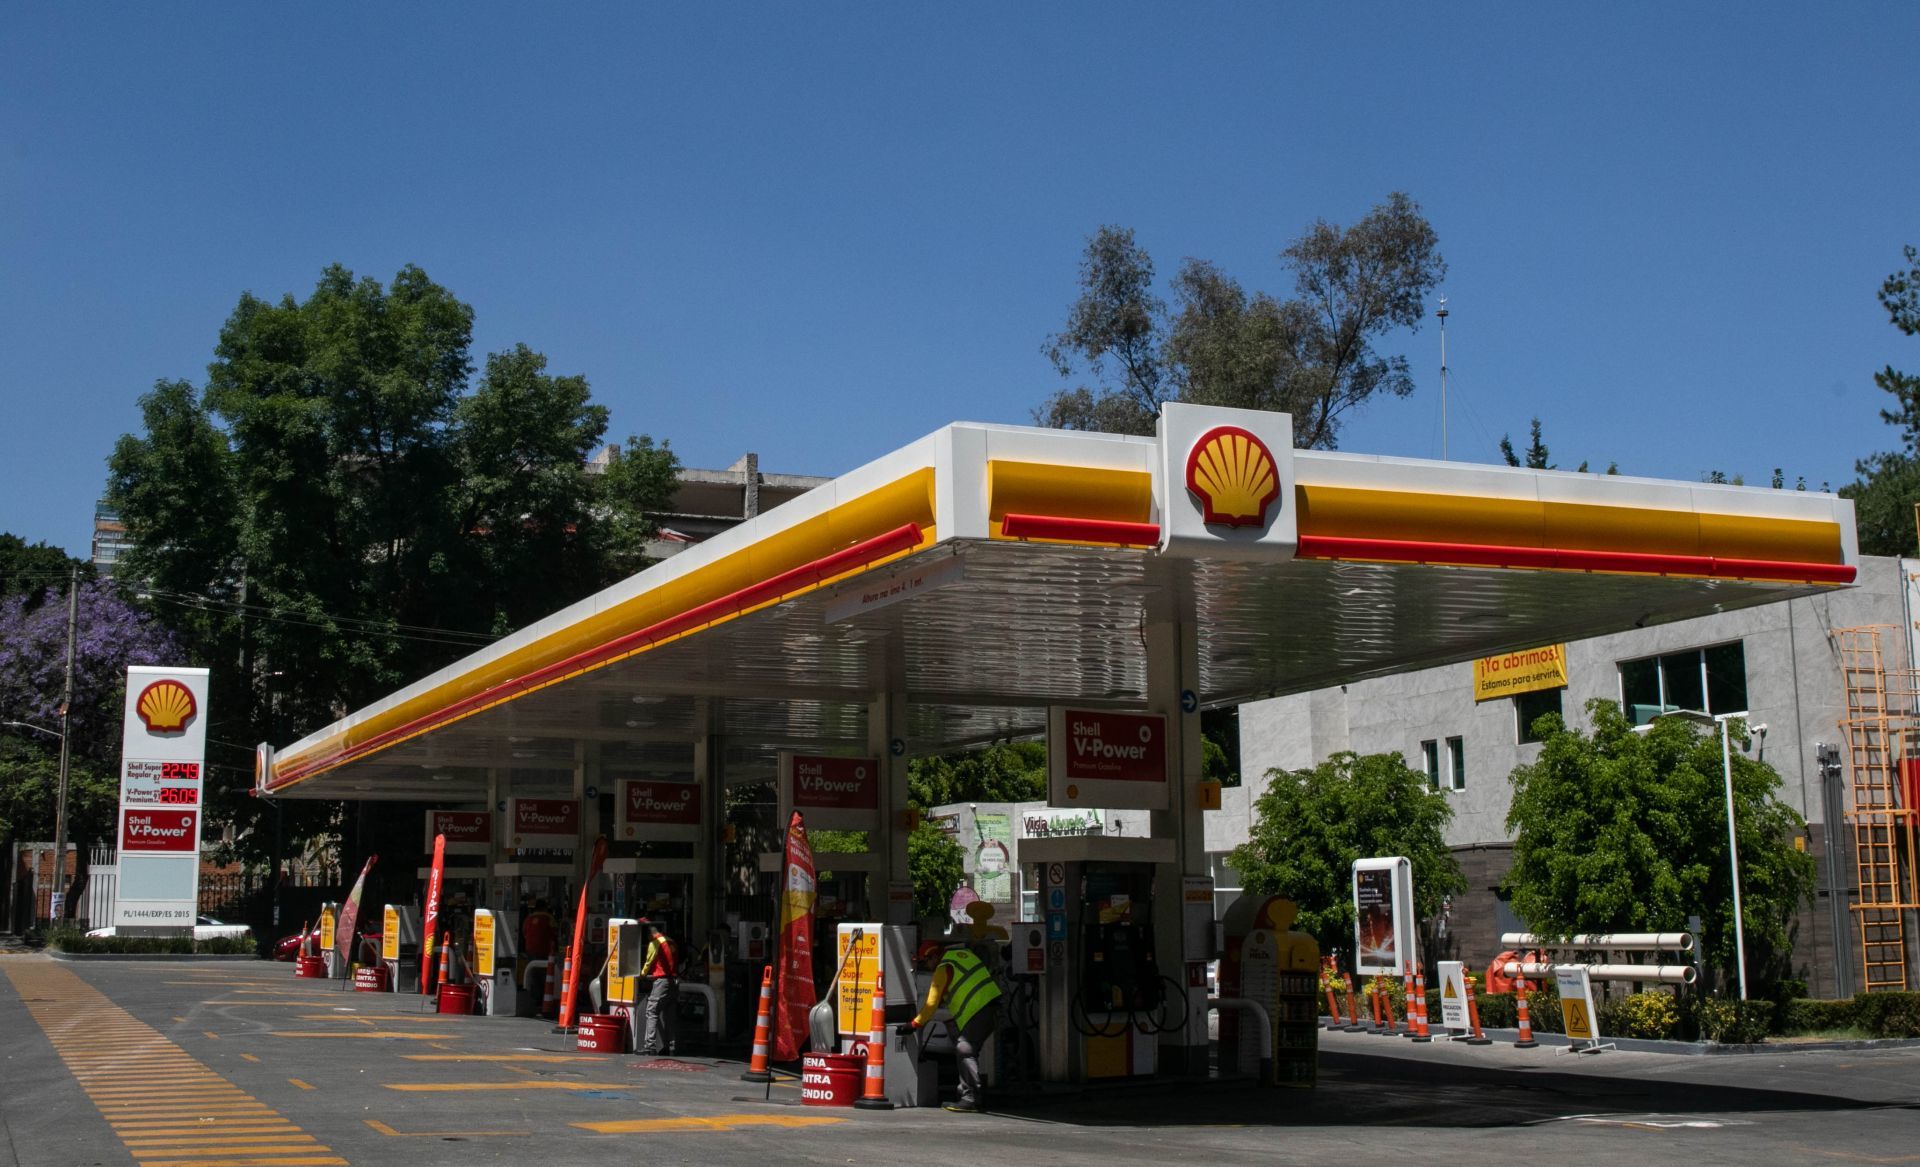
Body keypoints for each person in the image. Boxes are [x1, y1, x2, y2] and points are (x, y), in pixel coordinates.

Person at [909, 939, 1002, 1113]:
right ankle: (969, 1092)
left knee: (964, 1049)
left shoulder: (944, 968)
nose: (926, 966)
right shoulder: (964, 955)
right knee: (966, 1047)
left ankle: (970, 1098)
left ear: (935, 956)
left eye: (926, 961)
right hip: (993, 1009)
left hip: (979, 1012)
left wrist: (914, 1024)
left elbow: (931, 1004)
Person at [637, 918, 681, 1055]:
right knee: (669, 1014)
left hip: (661, 982)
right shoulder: (671, 941)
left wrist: (642, 975)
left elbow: (649, 962)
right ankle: (670, 1046)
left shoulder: (655, 943)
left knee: (652, 1012)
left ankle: (650, 1046)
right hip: (674, 981)